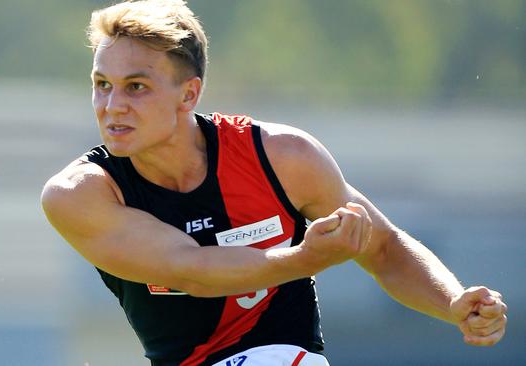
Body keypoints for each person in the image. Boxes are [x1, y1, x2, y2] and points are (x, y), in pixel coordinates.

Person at [41, 1, 507, 365]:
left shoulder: (282, 156)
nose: (111, 105)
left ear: (189, 94)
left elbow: (383, 247)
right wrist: (306, 258)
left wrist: (453, 302)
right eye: (101, 84)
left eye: (135, 87)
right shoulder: (80, 194)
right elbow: (192, 269)